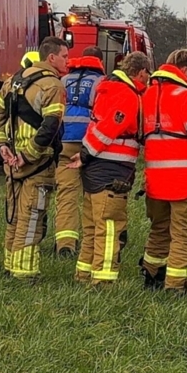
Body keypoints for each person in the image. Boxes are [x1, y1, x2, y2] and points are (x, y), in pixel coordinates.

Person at [0, 37, 69, 281]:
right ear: (51, 57)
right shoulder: (52, 86)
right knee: (32, 215)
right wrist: (29, 155)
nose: (68, 61)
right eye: (65, 56)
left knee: (13, 214)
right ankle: (25, 273)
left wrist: (2, 145)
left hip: (11, 162)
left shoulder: (13, 81)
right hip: (37, 162)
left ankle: (10, 265)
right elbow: (51, 125)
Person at [70, 51, 151, 285]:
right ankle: (103, 281)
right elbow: (111, 127)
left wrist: (86, 154)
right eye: (146, 74)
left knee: (92, 226)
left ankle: (83, 274)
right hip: (112, 168)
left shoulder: (108, 89)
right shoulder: (127, 94)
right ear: (140, 72)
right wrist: (86, 154)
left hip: (95, 167)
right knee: (109, 227)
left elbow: (97, 126)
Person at [139, 48, 187, 294]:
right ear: (184, 70)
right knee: (184, 234)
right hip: (184, 182)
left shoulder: (148, 94)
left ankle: (151, 275)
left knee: (159, 229)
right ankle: (177, 286)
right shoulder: (184, 95)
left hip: (154, 181)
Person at [53, 46, 105, 258]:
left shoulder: (63, 80)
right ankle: (93, 241)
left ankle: (65, 243)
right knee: (93, 193)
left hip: (64, 140)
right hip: (89, 144)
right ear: (100, 62)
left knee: (66, 192)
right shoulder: (101, 82)